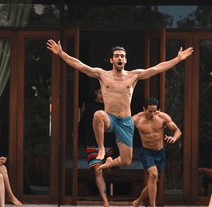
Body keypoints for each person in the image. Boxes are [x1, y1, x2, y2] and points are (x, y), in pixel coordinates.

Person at [47, 40, 193, 170]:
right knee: (98, 114)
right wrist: (61, 53)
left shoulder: (133, 75)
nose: (120, 58)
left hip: (125, 121)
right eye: (116, 56)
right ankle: (102, 148)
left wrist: (178, 59)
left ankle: (110, 162)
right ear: (111, 60)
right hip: (109, 118)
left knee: (126, 160)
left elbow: (157, 68)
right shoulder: (102, 75)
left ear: (126, 60)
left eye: (122, 56)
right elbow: (80, 65)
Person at [132, 98, 181, 207]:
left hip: (160, 152)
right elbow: (123, 132)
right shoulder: (136, 119)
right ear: (144, 109)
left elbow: (177, 130)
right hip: (146, 151)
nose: (152, 114)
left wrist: (174, 138)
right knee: (153, 175)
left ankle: (137, 202)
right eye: (149, 111)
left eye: (154, 111)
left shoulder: (163, 117)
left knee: (153, 182)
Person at [80, 85, 115, 207]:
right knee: (98, 170)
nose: (102, 95)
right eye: (100, 93)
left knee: (108, 171)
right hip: (92, 142)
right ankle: (105, 202)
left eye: (105, 93)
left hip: (109, 142)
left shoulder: (111, 106)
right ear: (96, 93)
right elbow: (80, 117)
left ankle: (108, 180)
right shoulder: (88, 104)